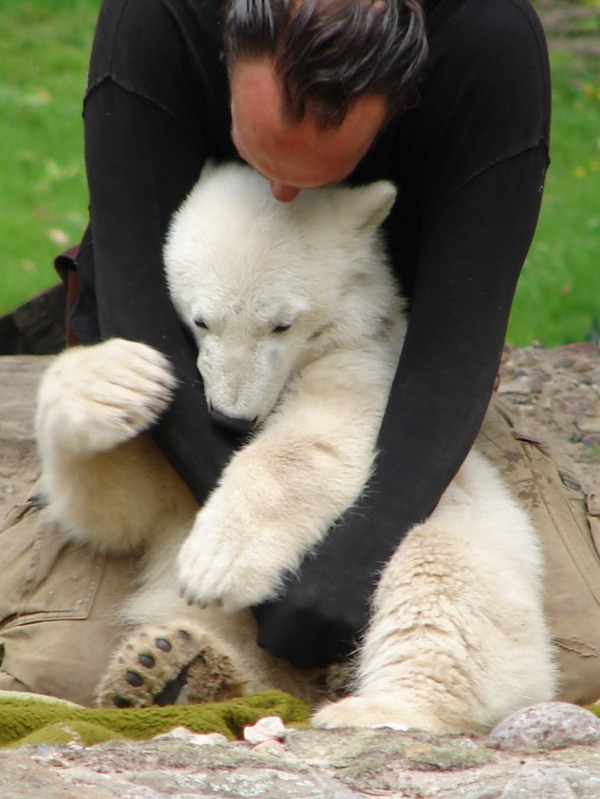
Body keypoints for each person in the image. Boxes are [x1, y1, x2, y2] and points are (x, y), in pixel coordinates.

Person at [1, 0, 599, 707]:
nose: (281, 194)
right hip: (175, 393)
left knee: (569, 659)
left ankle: (350, 695)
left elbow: (454, 351)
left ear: (402, 96)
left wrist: (355, 557)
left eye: (318, 174)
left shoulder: (485, 42)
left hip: (384, 386)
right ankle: (233, 674)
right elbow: (137, 314)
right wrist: (250, 532)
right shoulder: (158, 18)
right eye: (259, 157)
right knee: (52, 676)